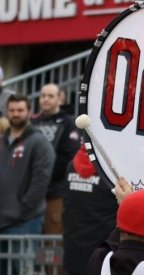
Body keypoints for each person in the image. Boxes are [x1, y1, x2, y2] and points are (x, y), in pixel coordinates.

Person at [0, 94, 55, 274]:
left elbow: (40, 182)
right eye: (12, 110)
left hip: (24, 222)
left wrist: (21, 211)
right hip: (2, 220)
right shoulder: (2, 141)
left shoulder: (39, 142)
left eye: (20, 110)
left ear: (29, 112)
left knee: (25, 270)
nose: (16, 114)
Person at [31, 83, 80, 236]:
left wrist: (43, 177)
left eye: (50, 96)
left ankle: (47, 262)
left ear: (60, 99)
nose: (45, 99)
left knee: (51, 244)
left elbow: (67, 158)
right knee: (30, 239)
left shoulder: (69, 123)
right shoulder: (32, 123)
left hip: (55, 193)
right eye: (43, 96)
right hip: (31, 194)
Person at [62, 145, 118, 275]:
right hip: (102, 256)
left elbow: (66, 205)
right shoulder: (110, 170)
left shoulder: (71, 165)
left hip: (73, 249)